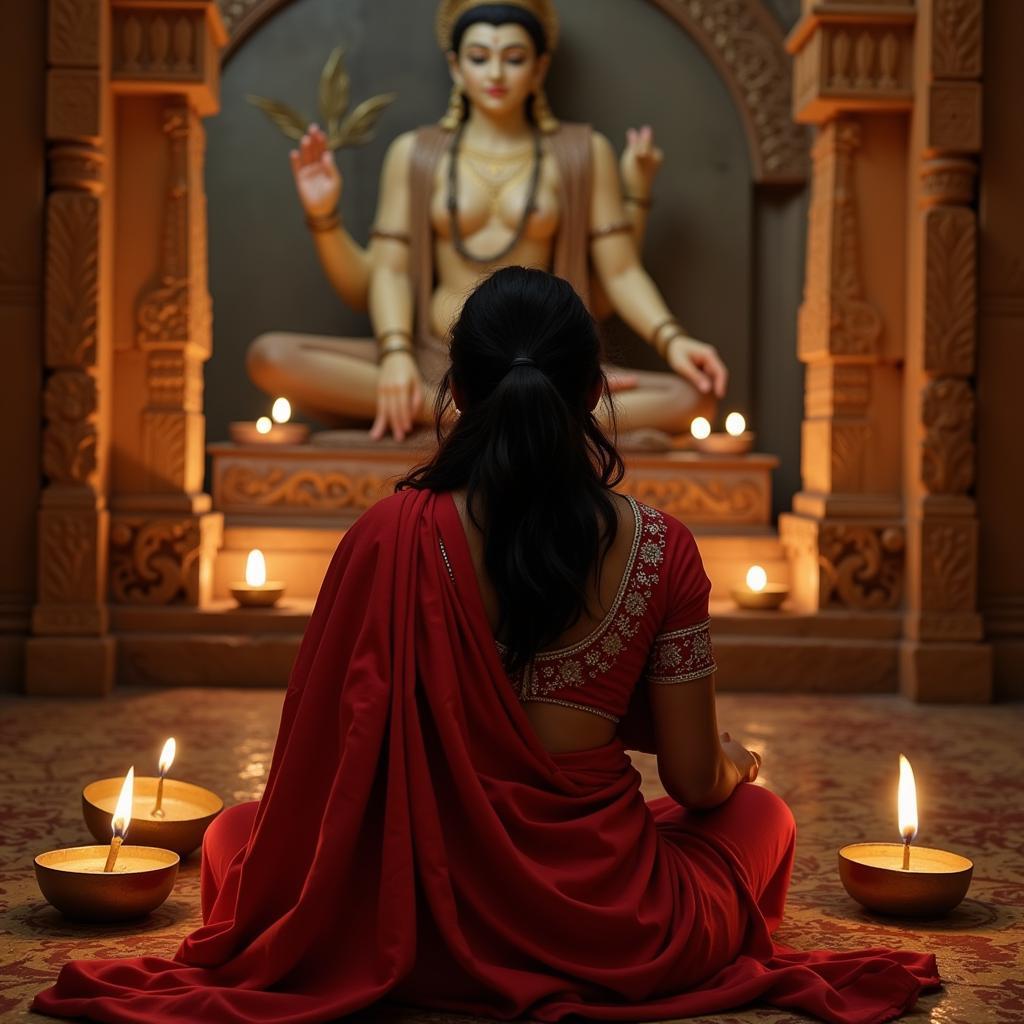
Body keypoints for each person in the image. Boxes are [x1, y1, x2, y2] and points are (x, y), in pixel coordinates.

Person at [34, 268, 938, 1024]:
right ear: (595, 391)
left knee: (241, 833)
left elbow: (325, 756)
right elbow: (698, 787)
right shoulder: (663, 547)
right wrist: (734, 764)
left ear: (456, 390)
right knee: (763, 819)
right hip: (611, 927)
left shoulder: (388, 534)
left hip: (403, 915)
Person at [247, 0, 727, 442]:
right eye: (479, 57)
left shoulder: (582, 153)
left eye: (514, 58)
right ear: (456, 66)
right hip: (433, 359)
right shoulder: (415, 154)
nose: (495, 72)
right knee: (271, 358)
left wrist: (674, 339)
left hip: (543, 363)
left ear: (539, 67)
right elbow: (389, 271)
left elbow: (620, 271)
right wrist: (394, 354)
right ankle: (528, 417)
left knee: (693, 396)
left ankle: (466, 414)